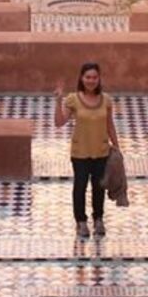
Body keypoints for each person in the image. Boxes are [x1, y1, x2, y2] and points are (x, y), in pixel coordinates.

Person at [54, 62, 121, 238]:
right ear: (81, 79)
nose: (91, 81)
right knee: (80, 186)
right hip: (80, 152)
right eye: (87, 77)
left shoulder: (106, 100)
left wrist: (117, 147)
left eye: (94, 77)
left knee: (99, 187)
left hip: (101, 151)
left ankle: (98, 219)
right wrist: (58, 100)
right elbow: (59, 123)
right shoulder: (73, 99)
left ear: (99, 79)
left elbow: (110, 125)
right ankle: (81, 222)